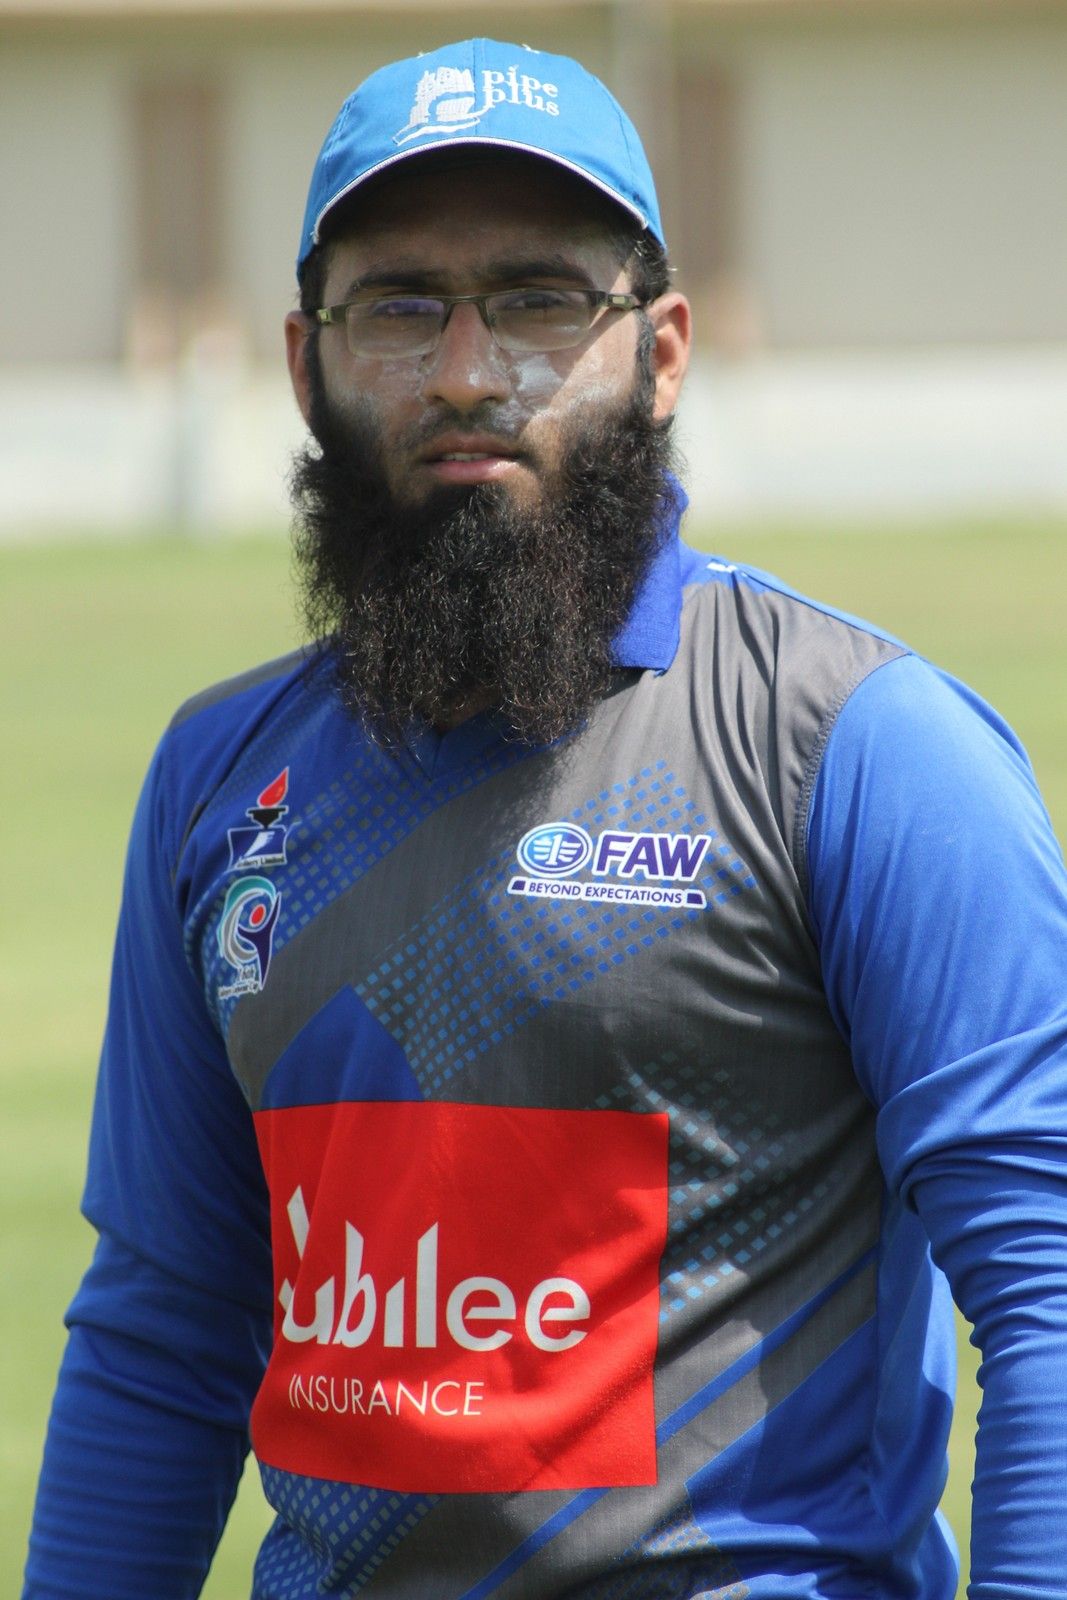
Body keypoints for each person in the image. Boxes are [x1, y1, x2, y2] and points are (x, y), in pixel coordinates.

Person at [22, 36, 1067, 1600]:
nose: (466, 370)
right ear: (306, 365)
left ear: (662, 351)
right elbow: (166, 1332)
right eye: (400, 306)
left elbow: (1048, 1282)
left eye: (539, 300)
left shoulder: (858, 748)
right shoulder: (216, 779)